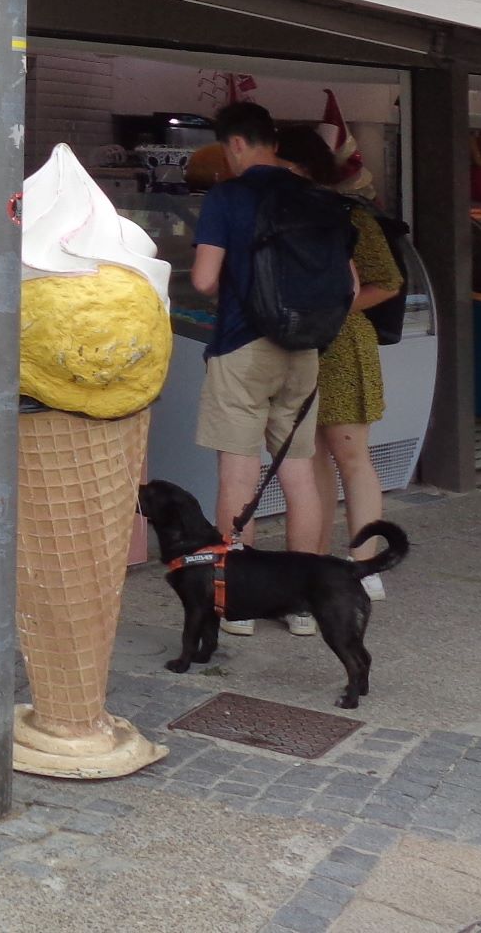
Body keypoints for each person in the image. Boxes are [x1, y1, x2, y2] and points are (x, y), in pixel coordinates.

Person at [188, 101, 331, 635]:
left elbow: (204, 279)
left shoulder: (227, 197)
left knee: (239, 472)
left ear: (236, 143)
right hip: (304, 350)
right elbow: (349, 284)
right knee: (298, 473)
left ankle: (239, 604)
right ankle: (301, 605)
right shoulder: (316, 197)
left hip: (242, 348)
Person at [274, 123, 401, 600]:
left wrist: (331, 309)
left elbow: (387, 281)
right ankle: (319, 559)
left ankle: (366, 566)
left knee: (351, 456)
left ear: (300, 165)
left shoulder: (351, 215)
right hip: (301, 346)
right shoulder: (281, 213)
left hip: (344, 347)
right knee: (313, 460)